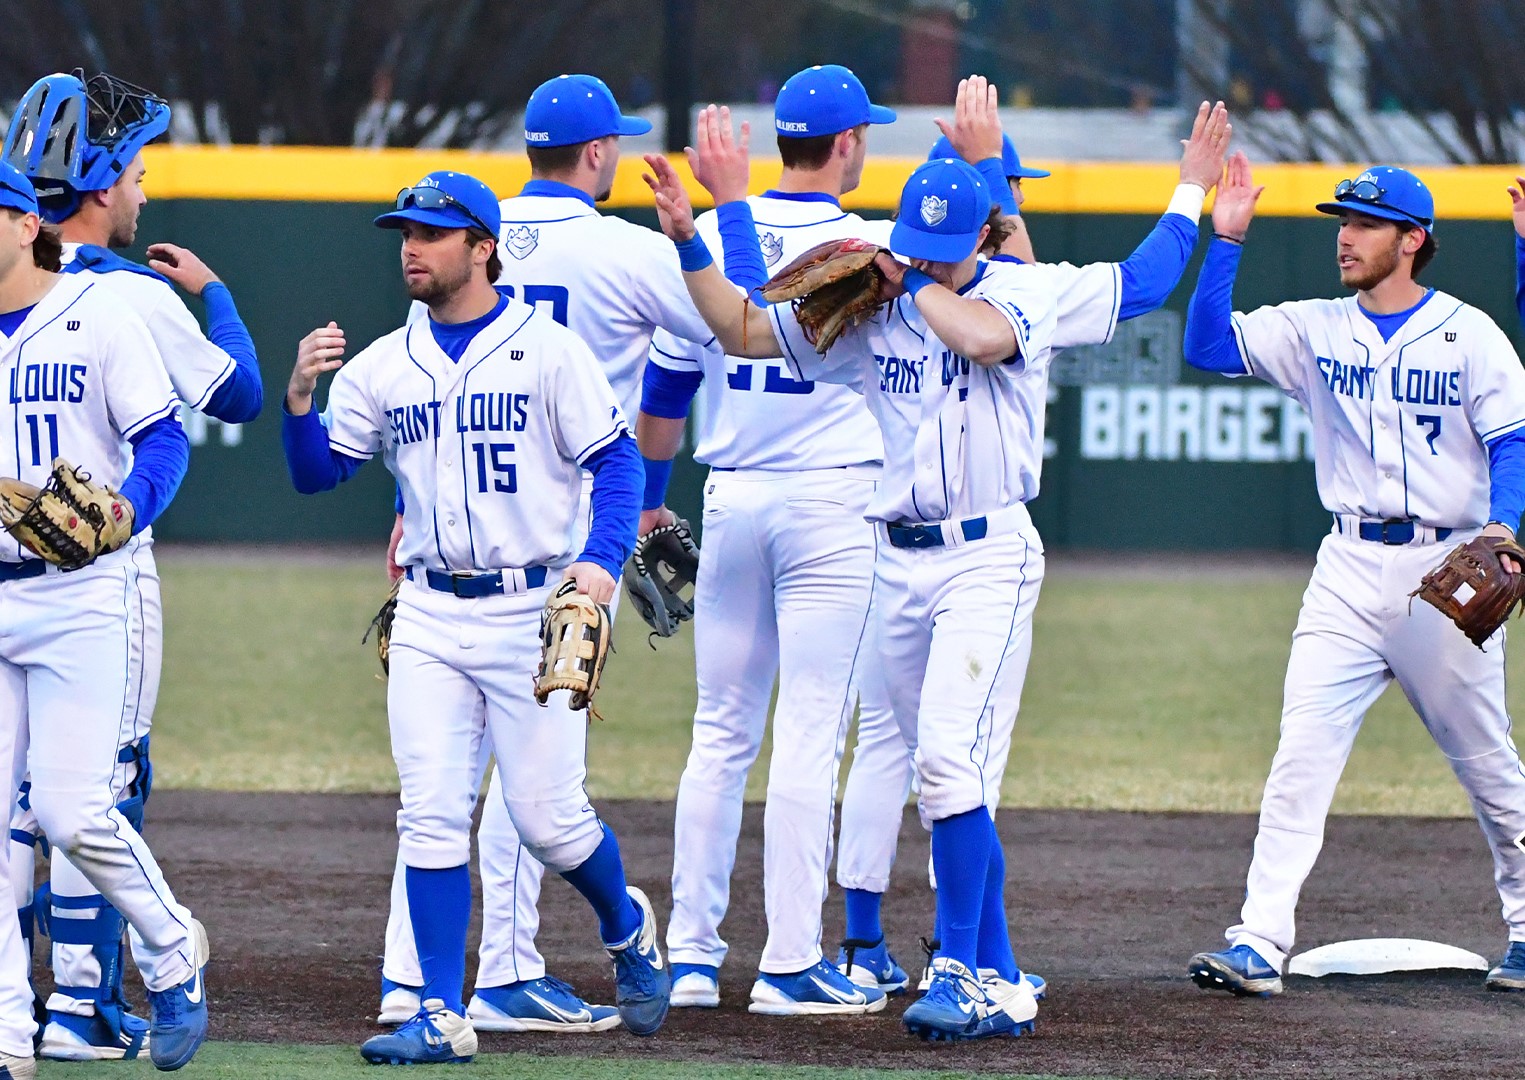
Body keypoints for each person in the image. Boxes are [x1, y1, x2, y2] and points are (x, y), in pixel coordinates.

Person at [829, 93, 1230, 1004]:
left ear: (978, 235)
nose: (920, 256)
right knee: (940, 773)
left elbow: (1136, 282)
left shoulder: (1015, 289)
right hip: (895, 556)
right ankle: (997, 969)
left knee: (943, 760)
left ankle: (964, 969)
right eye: (911, 242)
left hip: (984, 553)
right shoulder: (879, 301)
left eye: (938, 244)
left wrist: (1190, 192)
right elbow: (746, 330)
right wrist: (713, 236)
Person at [281, 169, 668, 1065]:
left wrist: (601, 567)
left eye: (432, 231)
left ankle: (623, 923)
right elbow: (316, 474)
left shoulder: (548, 348)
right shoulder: (383, 363)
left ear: (482, 246)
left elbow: (617, 467)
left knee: (548, 822)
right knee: (430, 813)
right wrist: (299, 400)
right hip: (425, 612)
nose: (411, 246)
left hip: (532, 608)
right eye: (404, 231)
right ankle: (438, 1012)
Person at [376, 73, 715, 1035]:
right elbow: (720, 336)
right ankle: (480, 977)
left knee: (488, 790)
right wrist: (649, 506)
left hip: (469, 523)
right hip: (572, 542)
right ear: (600, 153)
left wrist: (412, 516)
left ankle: (446, 976)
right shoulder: (625, 247)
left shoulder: (457, 245)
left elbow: (422, 402)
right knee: (471, 792)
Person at [1182, 155, 1525, 996]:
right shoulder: (1312, 326)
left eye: (1365, 224)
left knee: (1485, 764)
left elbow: (1514, 440)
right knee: (1300, 752)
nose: (1345, 237)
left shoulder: (1469, 332)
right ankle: (1258, 940)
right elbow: (1205, 345)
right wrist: (1223, 240)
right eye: (1342, 221)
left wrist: (1503, 529)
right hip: (1343, 563)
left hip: (1445, 565)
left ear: (1412, 240)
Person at [1, 68, 261, 1063]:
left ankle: (84, 995)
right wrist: (218, 295)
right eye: (138, 171)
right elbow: (236, 395)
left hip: (75, 579)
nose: (145, 189)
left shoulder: (77, 297)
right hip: (96, 581)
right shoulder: (131, 292)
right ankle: (68, 1008)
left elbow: (170, 442)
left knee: (52, 800)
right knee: (97, 782)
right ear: (103, 184)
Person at [637, 63, 900, 1018]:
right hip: (831, 507)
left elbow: (666, 387)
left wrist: (650, 505)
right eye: (861, 132)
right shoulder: (869, 244)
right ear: (844, 145)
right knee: (809, 728)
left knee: (718, 733)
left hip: (733, 498)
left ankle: (695, 959)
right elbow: (774, 318)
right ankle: (789, 961)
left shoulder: (701, 235)